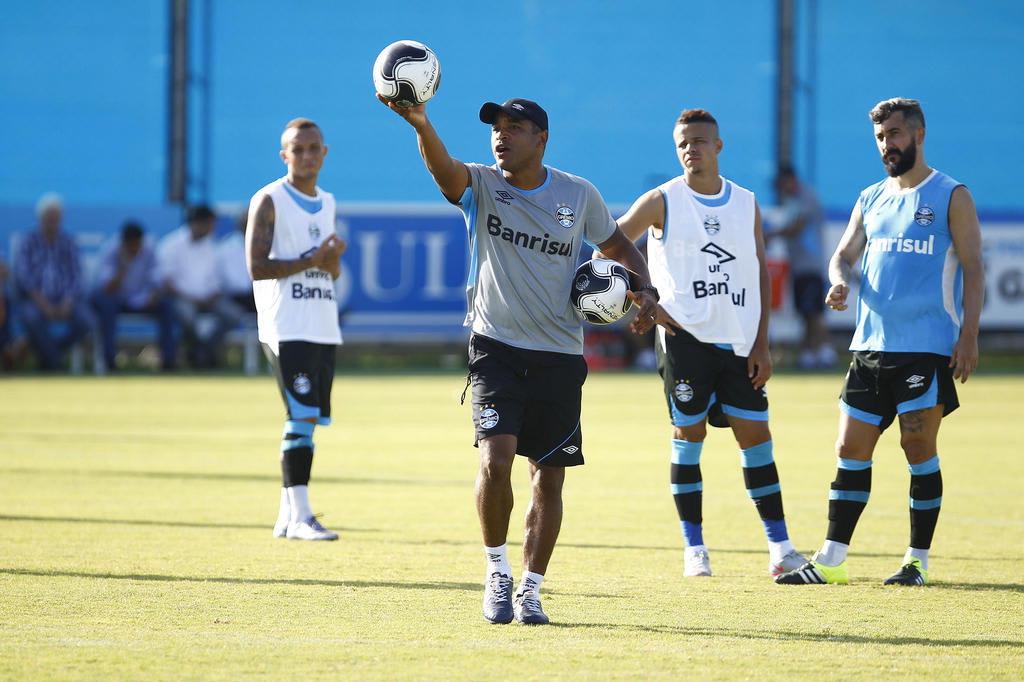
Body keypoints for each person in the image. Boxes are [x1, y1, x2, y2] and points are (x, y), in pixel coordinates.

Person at [379, 93, 659, 625]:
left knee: (548, 479)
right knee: (495, 460)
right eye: (496, 129)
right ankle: (495, 572)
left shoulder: (577, 195)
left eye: (515, 127)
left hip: (559, 356)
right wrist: (421, 123)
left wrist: (646, 291)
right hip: (495, 349)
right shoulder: (482, 185)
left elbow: (619, 245)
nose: (501, 136)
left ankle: (532, 588)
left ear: (542, 138)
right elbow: (443, 170)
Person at [776, 98, 983, 587]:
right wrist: (839, 280)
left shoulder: (951, 195)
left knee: (917, 444)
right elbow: (842, 255)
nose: (886, 145)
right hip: (870, 347)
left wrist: (969, 335)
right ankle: (831, 560)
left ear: (918, 134)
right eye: (879, 138)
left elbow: (974, 268)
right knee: (849, 447)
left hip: (927, 346)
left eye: (894, 134)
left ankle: (916, 561)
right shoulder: (871, 197)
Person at [615, 108, 807, 579]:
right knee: (689, 437)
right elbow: (611, 244)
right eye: (683, 142)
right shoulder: (662, 200)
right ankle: (694, 548)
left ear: (719, 146)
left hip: (740, 342)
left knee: (757, 440)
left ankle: (780, 549)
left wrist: (763, 342)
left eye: (700, 141)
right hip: (684, 340)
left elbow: (759, 268)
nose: (691, 149)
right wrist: (644, 297)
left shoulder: (745, 202)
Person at [246, 118, 346, 542]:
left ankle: (287, 516)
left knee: (308, 419)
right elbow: (256, 267)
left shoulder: (327, 202)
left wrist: (332, 259)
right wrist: (312, 259)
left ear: (324, 153)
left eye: (313, 148)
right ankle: (303, 516)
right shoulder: (269, 199)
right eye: (297, 149)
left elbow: (330, 271)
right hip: (286, 324)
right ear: (284, 154)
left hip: (322, 323)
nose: (306, 155)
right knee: (301, 415)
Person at [157, 205, 244, 368]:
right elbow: (166, 281)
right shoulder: (171, 245)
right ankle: (199, 355)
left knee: (234, 315)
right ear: (196, 223)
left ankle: (204, 349)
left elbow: (218, 279)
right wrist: (191, 298)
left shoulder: (212, 246)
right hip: (181, 299)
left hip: (210, 299)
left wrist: (212, 295)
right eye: (209, 224)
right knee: (188, 317)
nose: (212, 228)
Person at [13, 193, 92, 370]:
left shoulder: (68, 242)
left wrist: (67, 301)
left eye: (56, 218)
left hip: (66, 301)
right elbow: (24, 277)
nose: (52, 222)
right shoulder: (28, 242)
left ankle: (50, 354)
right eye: (49, 218)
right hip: (35, 300)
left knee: (86, 320)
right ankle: (53, 361)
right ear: (40, 218)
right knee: (31, 318)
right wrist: (43, 303)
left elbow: (77, 276)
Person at [770, 164, 836, 369]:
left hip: (810, 265)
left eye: (782, 184)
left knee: (814, 311)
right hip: (799, 266)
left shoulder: (806, 196)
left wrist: (771, 234)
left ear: (790, 180)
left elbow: (796, 227)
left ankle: (825, 351)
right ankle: (810, 351)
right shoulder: (792, 200)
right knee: (805, 312)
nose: (781, 189)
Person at [91, 221, 178, 371]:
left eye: (137, 244)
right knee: (106, 305)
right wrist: (123, 266)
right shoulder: (110, 251)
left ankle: (168, 361)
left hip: (143, 299)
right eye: (131, 245)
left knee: (167, 305)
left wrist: (154, 294)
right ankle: (110, 361)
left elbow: (158, 279)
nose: (135, 249)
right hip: (117, 299)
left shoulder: (149, 250)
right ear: (123, 243)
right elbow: (108, 288)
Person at [219, 209, 256, 313]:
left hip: (258, 293)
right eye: (246, 222)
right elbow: (233, 283)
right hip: (235, 297)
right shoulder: (227, 247)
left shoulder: (267, 244)